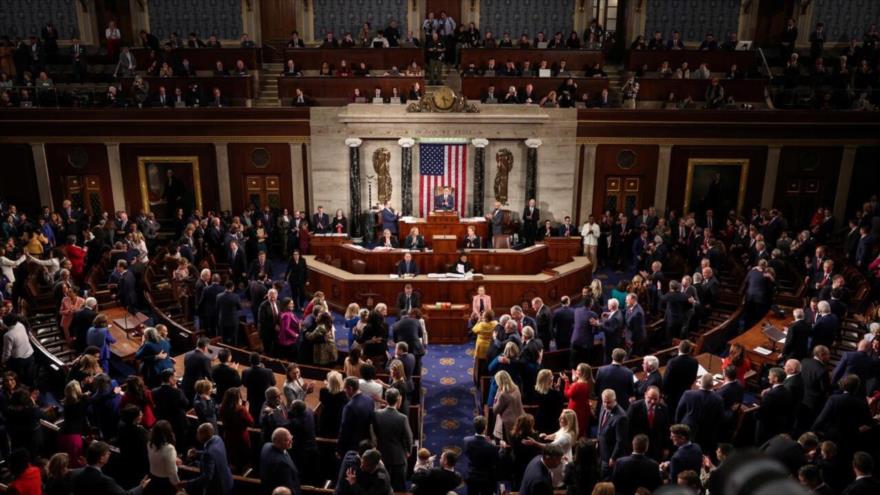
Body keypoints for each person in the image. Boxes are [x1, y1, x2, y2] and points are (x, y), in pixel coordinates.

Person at [371, 388, 412, 491]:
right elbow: (409, 438)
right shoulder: (402, 418)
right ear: (398, 399)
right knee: (399, 486)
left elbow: (374, 432)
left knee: (381, 486)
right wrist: (408, 451)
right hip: (398, 458)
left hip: (381, 455)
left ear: (385, 398)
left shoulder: (376, 414)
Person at [72, 440, 150, 494]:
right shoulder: (106, 481)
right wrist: (141, 487)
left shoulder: (77, 476)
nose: (110, 454)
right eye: (107, 453)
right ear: (101, 459)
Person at [185, 423, 233, 495]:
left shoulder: (208, 454)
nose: (196, 435)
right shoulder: (218, 439)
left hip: (218, 488)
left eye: (198, 433)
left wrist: (187, 483)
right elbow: (213, 453)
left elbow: (207, 477)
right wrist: (197, 453)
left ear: (203, 435)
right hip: (227, 480)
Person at [219, 387, 254, 473]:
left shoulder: (222, 407)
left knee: (232, 455)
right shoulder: (241, 410)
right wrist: (246, 408)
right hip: (241, 437)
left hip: (228, 435)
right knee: (243, 457)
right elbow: (251, 422)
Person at [338, 377, 375, 456]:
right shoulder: (369, 400)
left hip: (353, 446)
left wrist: (339, 449)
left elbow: (344, 430)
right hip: (367, 443)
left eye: (345, 388)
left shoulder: (349, 407)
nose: (344, 391)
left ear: (350, 389)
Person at [259, 428, 300, 495]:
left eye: (291, 438)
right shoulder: (283, 465)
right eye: (287, 440)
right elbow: (289, 489)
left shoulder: (266, 446)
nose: (291, 441)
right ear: (277, 442)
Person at [146, 420, 180, 494]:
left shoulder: (149, 444)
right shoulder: (169, 448)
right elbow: (172, 472)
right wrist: (178, 485)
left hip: (153, 478)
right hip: (165, 482)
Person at [242, 352, 276, 420]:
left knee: (253, 416)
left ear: (250, 361)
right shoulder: (269, 371)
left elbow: (244, 384)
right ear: (260, 360)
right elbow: (273, 383)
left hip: (251, 398)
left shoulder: (245, 371)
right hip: (264, 399)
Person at [562, 363, 592, 438]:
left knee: (573, 431)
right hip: (583, 410)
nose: (575, 371)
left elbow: (567, 394)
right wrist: (574, 380)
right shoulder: (587, 383)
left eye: (577, 370)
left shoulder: (577, 385)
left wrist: (566, 381)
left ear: (582, 373)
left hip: (575, 410)